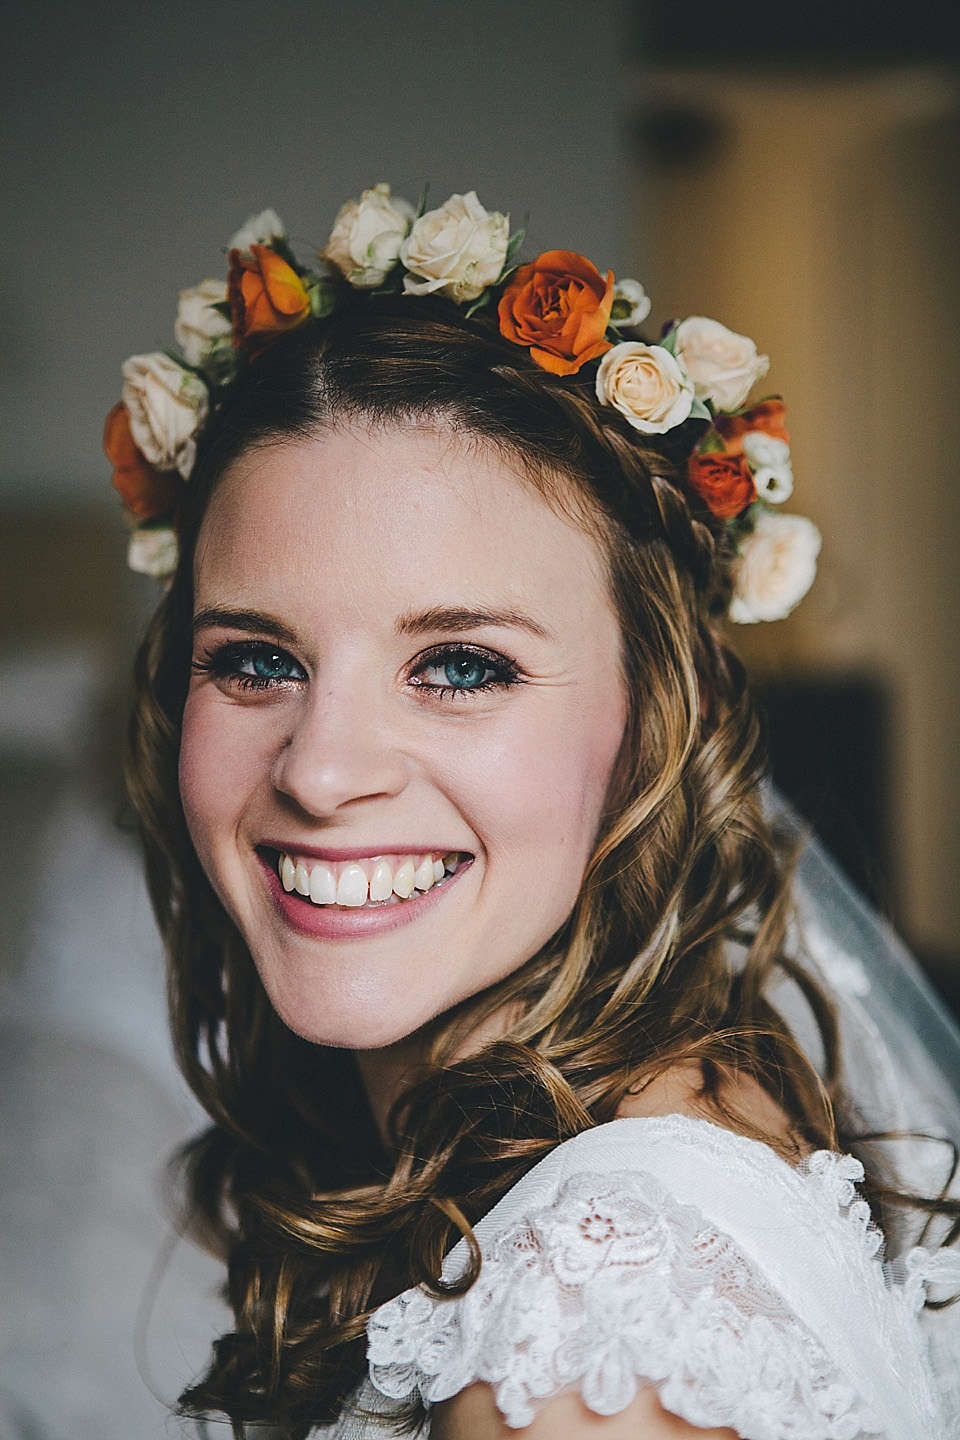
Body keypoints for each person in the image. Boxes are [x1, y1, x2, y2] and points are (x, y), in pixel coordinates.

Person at [105, 186, 960, 1438]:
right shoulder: (686, 1091)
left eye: (461, 665)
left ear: (651, 728)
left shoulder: (587, 1334)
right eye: (257, 659)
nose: (321, 773)